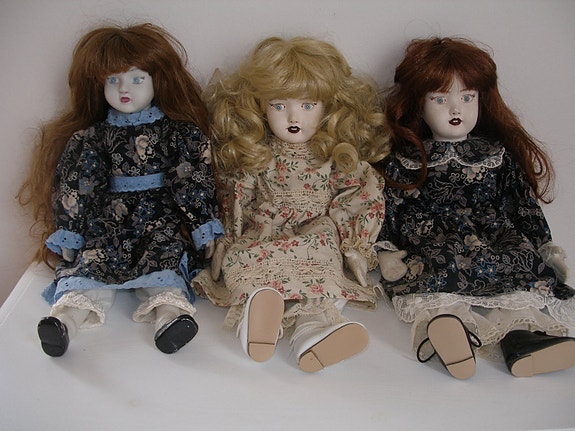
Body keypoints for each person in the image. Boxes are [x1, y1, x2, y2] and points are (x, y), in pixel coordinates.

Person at [17, 23, 222, 357]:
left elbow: (190, 179)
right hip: (108, 221)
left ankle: (170, 319)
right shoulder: (92, 138)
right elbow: (79, 184)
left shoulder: (176, 134)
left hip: (159, 220)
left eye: (137, 79)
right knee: (90, 265)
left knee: (165, 263)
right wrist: (71, 231)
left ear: (158, 81)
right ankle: (64, 321)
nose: (124, 88)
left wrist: (203, 225)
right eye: (113, 80)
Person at [376, 36, 575, 379]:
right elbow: (389, 207)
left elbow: (520, 203)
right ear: (419, 105)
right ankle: (449, 331)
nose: (456, 109)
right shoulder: (408, 160)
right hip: (437, 242)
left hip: (496, 238)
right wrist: (385, 250)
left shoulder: (496, 154)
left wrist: (543, 245)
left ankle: (521, 337)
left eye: (467, 97)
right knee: (437, 277)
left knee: (516, 272)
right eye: (440, 99)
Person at [193, 36, 389, 372]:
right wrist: (226, 239)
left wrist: (356, 245)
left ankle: (312, 331)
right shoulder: (258, 156)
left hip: (315, 233)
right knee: (245, 261)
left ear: (328, 108)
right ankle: (256, 318)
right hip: (263, 231)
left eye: (308, 105)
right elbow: (237, 198)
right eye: (279, 106)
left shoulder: (333, 156)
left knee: (322, 266)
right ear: (261, 108)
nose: (293, 116)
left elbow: (359, 196)